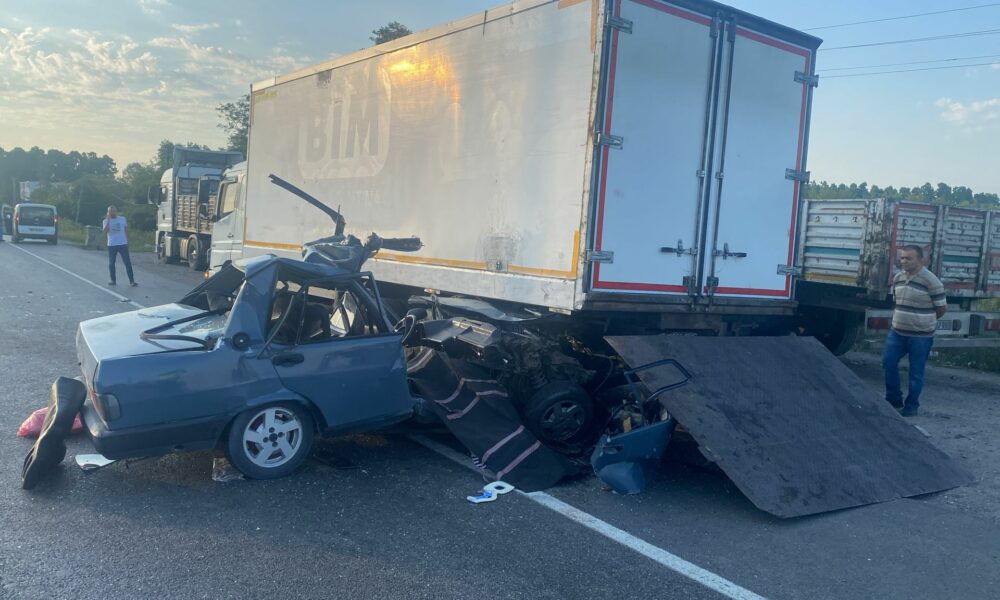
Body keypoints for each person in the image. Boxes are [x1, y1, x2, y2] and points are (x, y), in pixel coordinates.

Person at [882, 244, 946, 417]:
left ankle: (911, 406)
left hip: (920, 336)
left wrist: (923, 321)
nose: (904, 261)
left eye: (908, 258)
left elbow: (941, 309)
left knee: (916, 372)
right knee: (888, 362)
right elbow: (897, 301)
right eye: (902, 258)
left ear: (920, 259)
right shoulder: (898, 277)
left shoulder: (931, 281)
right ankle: (893, 399)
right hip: (897, 332)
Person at [102, 205, 137, 287]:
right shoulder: (105, 221)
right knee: (111, 263)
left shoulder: (122, 219)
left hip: (122, 244)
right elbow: (105, 232)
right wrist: (108, 220)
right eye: (110, 211)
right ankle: (113, 280)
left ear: (116, 211)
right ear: (108, 212)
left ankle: (132, 281)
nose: (112, 213)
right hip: (112, 244)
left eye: (114, 211)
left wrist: (128, 241)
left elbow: (126, 230)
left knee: (127, 263)